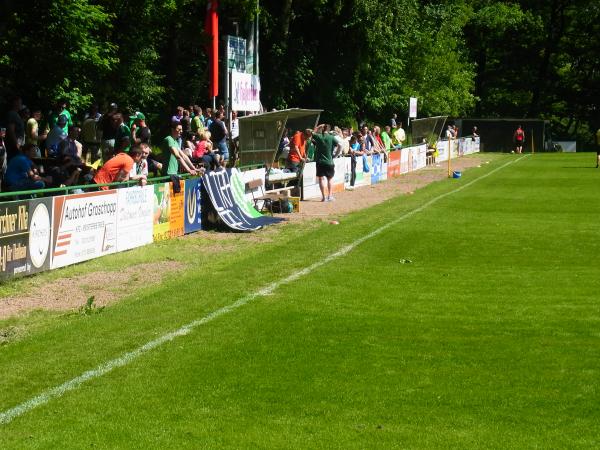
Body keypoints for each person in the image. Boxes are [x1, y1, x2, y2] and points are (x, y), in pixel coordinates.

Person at [310, 124, 336, 202]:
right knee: (330, 179)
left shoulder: (318, 136)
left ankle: (324, 197)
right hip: (329, 161)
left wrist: (318, 127)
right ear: (328, 130)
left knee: (321, 179)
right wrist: (335, 154)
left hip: (320, 161)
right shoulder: (331, 137)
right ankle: (330, 196)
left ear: (322, 129)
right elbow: (340, 145)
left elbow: (312, 132)